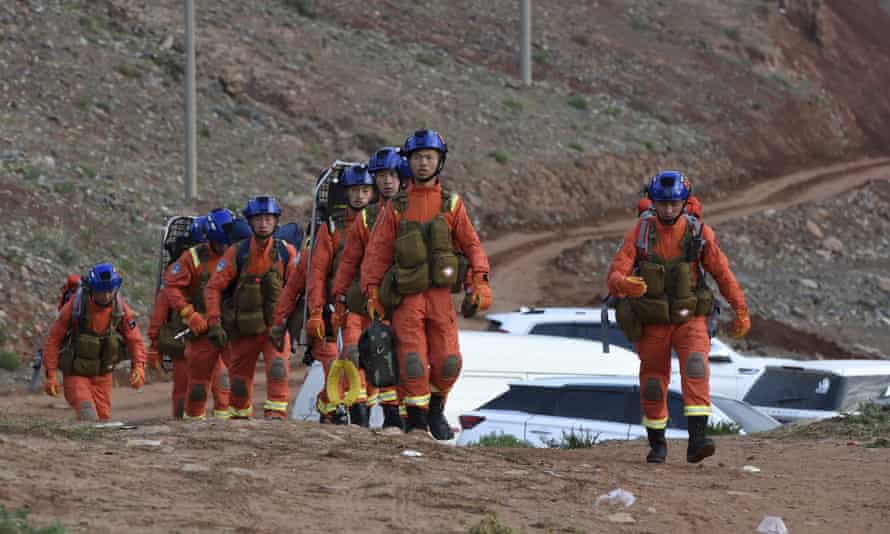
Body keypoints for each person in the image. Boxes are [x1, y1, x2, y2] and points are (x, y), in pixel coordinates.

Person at [607, 170, 750, 464]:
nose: (668, 209)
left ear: (685, 202)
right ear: (653, 202)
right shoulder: (640, 233)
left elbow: (723, 274)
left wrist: (741, 309)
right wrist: (623, 284)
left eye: (674, 203)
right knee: (652, 383)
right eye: (662, 203)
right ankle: (657, 444)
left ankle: (697, 440)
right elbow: (615, 273)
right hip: (652, 320)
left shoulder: (699, 234)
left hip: (690, 317)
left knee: (696, 367)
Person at [361, 130, 492, 439]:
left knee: (449, 362)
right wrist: (371, 292)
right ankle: (418, 425)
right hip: (407, 299)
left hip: (440, 297)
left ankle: (436, 409)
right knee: (412, 363)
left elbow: (472, 246)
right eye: (417, 158)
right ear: (409, 161)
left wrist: (481, 281)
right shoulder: (396, 206)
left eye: (429, 157)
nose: (423, 163)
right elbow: (377, 253)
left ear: (440, 161)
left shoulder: (452, 204)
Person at [329, 152, 405, 431]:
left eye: (393, 176)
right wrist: (338, 298)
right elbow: (349, 261)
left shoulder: (414, 212)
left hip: (400, 300)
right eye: (382, 176)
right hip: (364, 300)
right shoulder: (365, 219)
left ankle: (401, 416)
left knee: (400, 357)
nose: (387, 182)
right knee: (355, 353)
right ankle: (361, 415)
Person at [204, 196, 298, 420]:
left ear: (276, 222)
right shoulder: (237, 252)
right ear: (250, 222)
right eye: (258, 219)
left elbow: (296, 288)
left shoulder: (287, 252)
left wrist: (292, 322)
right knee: (238, 381)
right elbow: (213, 287)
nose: (263, 224)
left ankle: (276, 416)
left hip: (275, 327)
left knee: (278, 368)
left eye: (268, 219)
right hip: (243, 328)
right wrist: (215, 322)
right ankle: (239, 418)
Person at [305, 164, 379, 426]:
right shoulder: (332, 229)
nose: (360, 196)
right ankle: (358, 419)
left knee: (375, 363)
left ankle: (330, 405)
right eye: (355, 191)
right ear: (345, 194)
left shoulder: (384, 223)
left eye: (365, 190)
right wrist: (316, 311)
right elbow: (317, 273)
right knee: (353, 356)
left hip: (377, 304)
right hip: (345, 306)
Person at [42, 262, 146, 421]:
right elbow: (54, 340)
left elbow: (135, 340)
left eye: (109, 291)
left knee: (103, 419)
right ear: (92, 288)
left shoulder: (120, 309)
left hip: (103, 375)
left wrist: (139, 367)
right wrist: (51, 374)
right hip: (77, 374)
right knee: (87, 414)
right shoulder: (75, 307)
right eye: (101, 291)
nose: (105, 296)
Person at [164, 209, 236, 420]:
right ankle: (192, 427)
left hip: (229, 327)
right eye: (220, 245)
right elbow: (170, 285)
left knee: (231, 381)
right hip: (202, 331)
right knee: (196, 387)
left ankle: (231, 424)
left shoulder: (240, 252)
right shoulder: (193, 258)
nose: (224, 249)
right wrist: (190, 314)